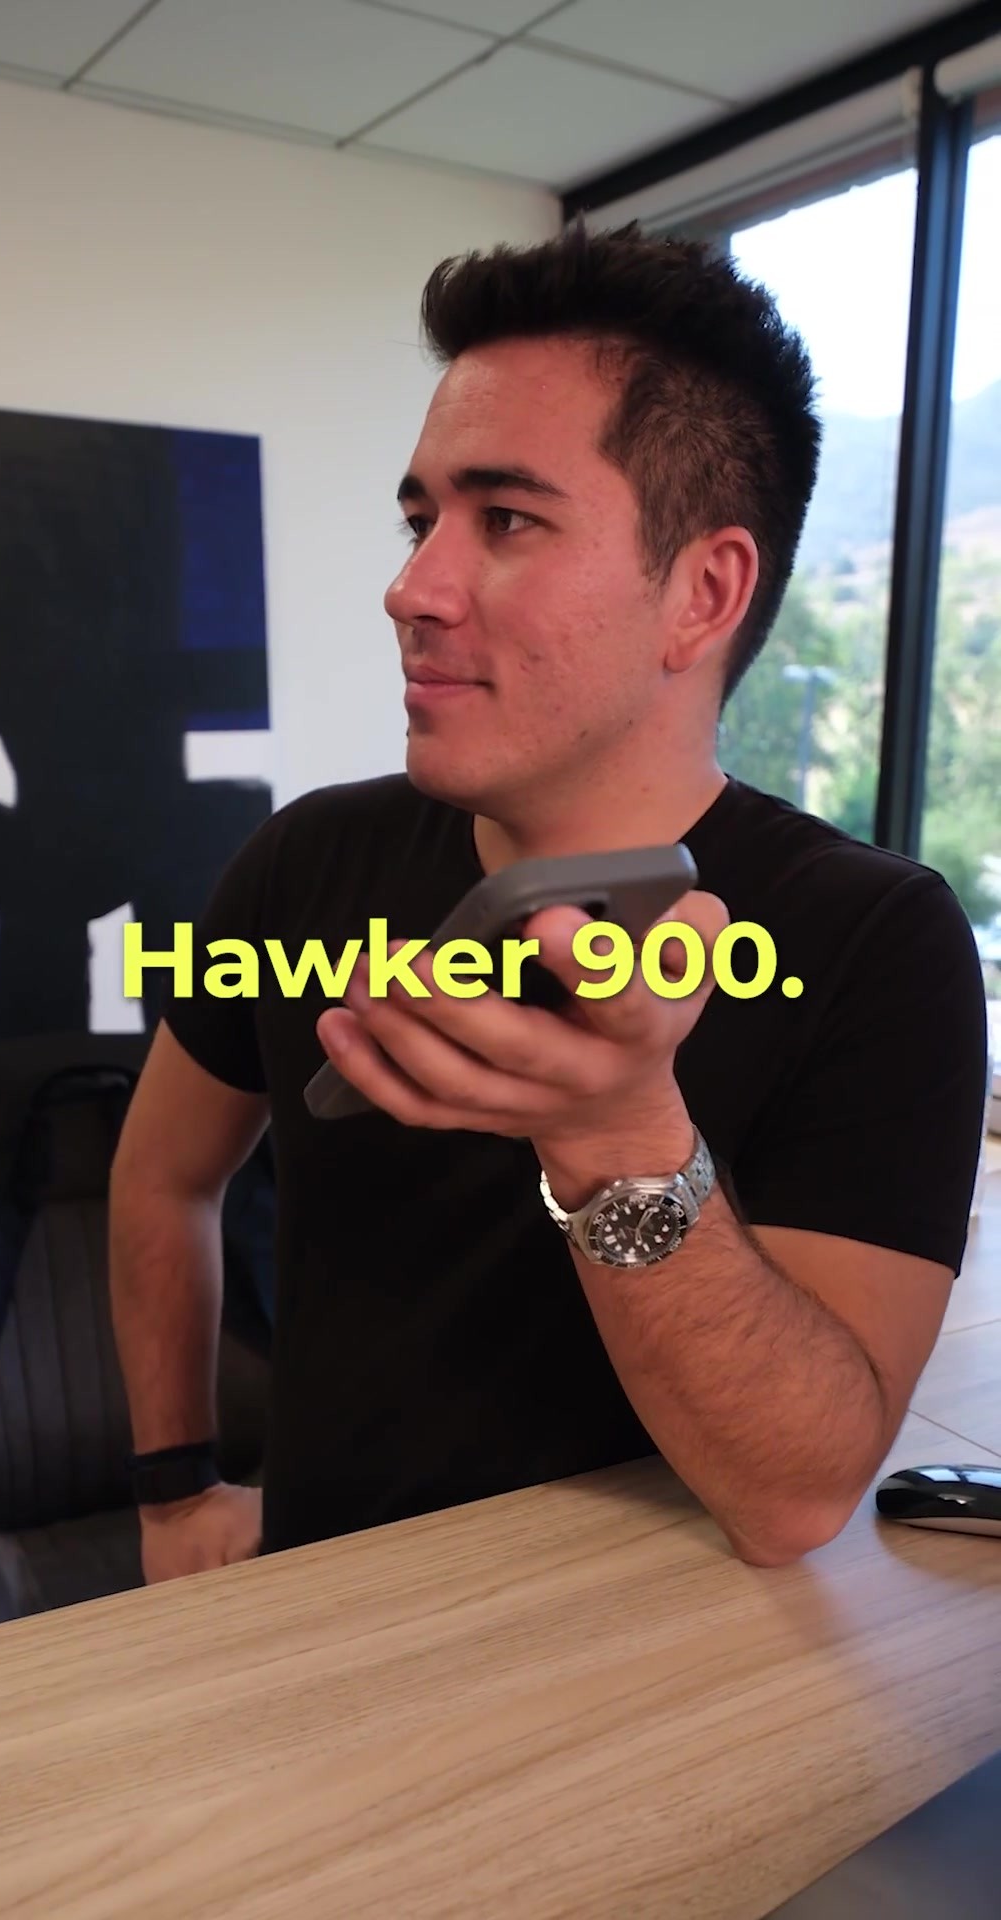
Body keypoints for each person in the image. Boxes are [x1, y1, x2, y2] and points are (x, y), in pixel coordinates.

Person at [109, 222, 987, 1583]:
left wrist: (617, 1135)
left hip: (650, 1663)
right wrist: (173, 1491)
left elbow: (797, 1494)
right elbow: (163, 1176)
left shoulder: (875, 943)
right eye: (421, 521)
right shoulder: (303, 866)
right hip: (314, 1617)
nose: (411, 588)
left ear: (703, 594)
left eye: (506, 519)